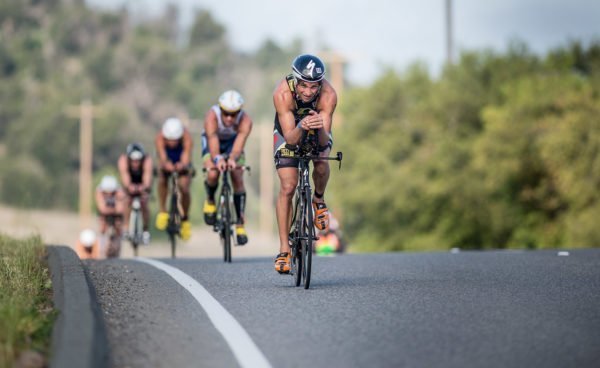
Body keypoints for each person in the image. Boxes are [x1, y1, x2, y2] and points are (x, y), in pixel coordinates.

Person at [272, 54, 337, 273]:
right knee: (288, 186)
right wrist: (302, 125)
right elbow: (290, 138)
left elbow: (323, 142)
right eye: (304, 86)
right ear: (295, 80)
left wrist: (317, 127)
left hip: (317, 130)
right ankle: (284, 250)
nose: (308, 92)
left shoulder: (328, 95)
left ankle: (318, 200)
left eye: (314, 86)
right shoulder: (282, 94)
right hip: (288, 131)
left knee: (320, 159)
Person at [201, 90, 253, 245]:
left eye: (234, 114)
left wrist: (231, 159)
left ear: (239, 112)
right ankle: (210, 200)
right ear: (220, 109)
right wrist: (217, 159)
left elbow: (238, 146)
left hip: (233, 144)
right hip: (213, 142)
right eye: (226, 113)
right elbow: (213, 140)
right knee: (212, 174)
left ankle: (240, 224)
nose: (229, 118)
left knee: (237, 177)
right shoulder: (212, 116)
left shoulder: (246, 121)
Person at [155, 117, 194, 241]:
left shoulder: (187, 138)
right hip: (168, 159)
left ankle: (185, 219)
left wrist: (182, 165)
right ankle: (163, 211)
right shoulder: (159, 138)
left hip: (181, 160)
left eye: (175, 140)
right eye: (169, 140)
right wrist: (166, 164)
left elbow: (186, 157)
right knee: (161, 178)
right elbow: (162, 156)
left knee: (184, 187)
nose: (172, 143)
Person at [117, 142, 153, 245]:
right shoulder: (123, 160)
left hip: (142, 181)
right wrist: (129, 186)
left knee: (144, 201)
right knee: (126, 200)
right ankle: (126, 227)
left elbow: (147, 177)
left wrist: (144, 187)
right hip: (129, 181)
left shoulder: (147, 160)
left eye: (138, 161)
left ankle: (145, 230)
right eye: (133, 161)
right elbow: (124, 176)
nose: (135, 164)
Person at [95, 175, 126, 257]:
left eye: (111, 192)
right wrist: (113, 210)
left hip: (116, 214)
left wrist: (113, 211)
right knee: (102, 226)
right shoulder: (99, 191)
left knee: (119, 225)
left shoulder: (119, 191)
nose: (108, 195)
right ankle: (102, 249)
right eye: (106, 192)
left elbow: (120, 209)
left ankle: (118, 248)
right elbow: (102, 209)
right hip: (105, 213)